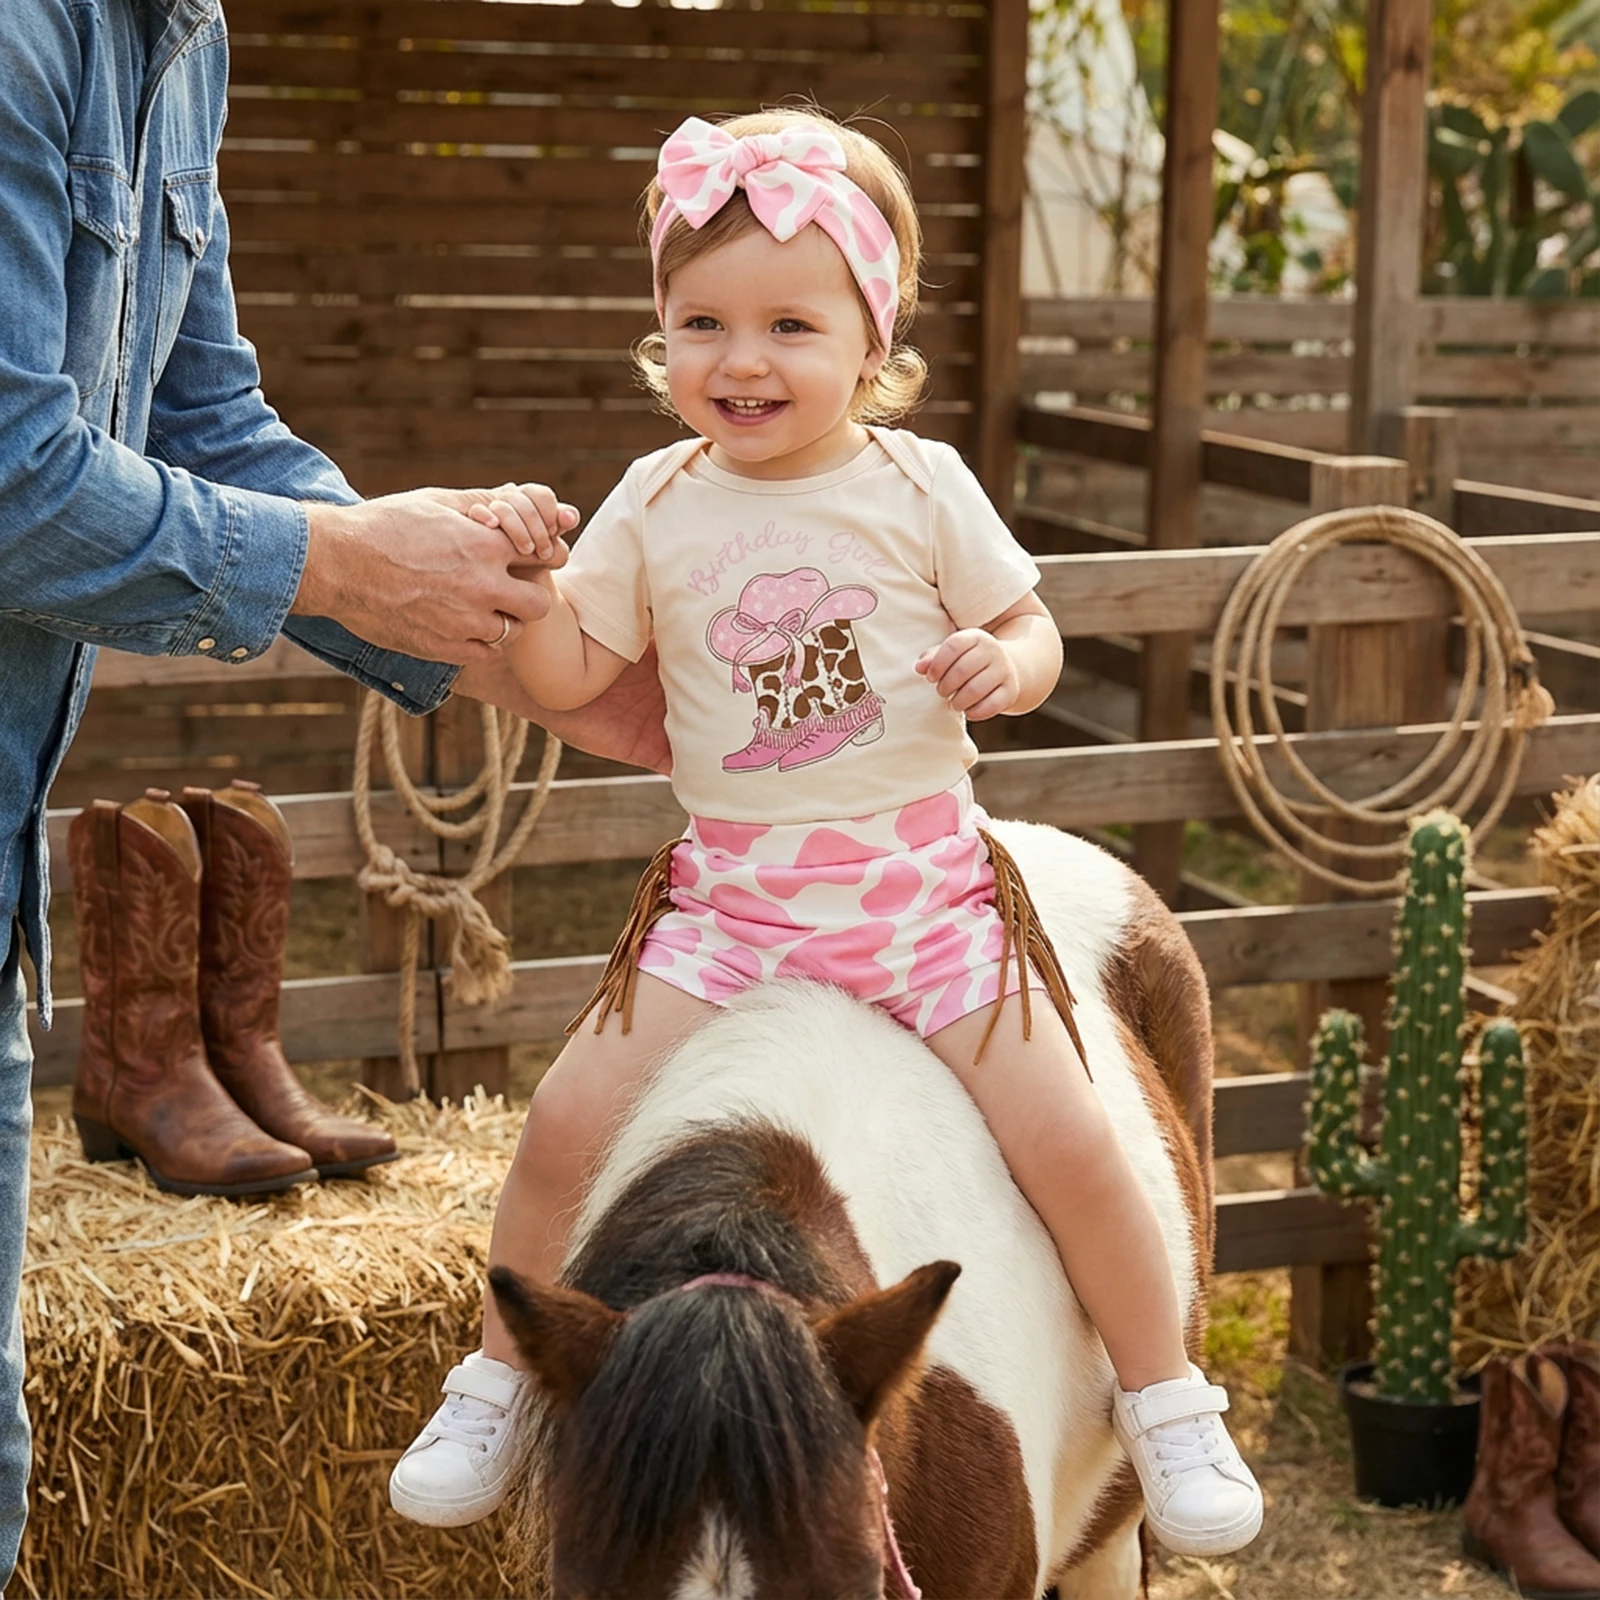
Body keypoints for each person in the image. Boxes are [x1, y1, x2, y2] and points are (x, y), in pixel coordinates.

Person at [388, 111, 1264, 1559]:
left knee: (1079, 1143)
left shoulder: (918, 487)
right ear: (659, 338)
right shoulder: (654, 503)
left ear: (876, 335)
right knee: (558, 1131)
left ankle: (1166, 1398)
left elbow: (1024, 619)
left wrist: (1016, 669)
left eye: (791, 323)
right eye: (700, 323)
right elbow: (561, 684)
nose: (740, 361)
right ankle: (495, 1380)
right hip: (733, 905)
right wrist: (529, 589)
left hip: (922, 895)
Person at [0, 0, 668, 1585]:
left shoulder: (184, 46)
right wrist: (362, 561)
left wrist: (520, 655)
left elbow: (201, 428)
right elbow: (16, 476)